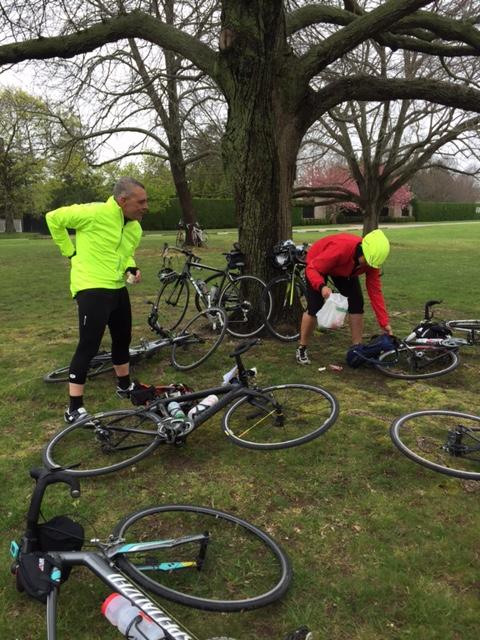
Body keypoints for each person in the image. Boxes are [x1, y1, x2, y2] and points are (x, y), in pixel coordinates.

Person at [46, 177, 148, 422]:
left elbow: (126, 254)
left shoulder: (134, 227)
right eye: (141, 201)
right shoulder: (93, 213)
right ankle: (74, 408)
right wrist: (69, 251)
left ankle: (124, 386)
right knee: (89, 346)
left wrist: (131, 269)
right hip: (91, 287)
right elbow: (53, 218)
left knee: (123, 338)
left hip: (117, 288)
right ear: (123, 200)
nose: (146, 206)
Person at [296, 229, 392, 365]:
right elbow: (312, 269)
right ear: (362, 250)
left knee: (357, 303)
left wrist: (384, 323)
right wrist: (322, 286)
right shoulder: (341, 249)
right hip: (317, 264)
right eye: (366, 261)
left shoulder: (372, 261)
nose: (367, 266)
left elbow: (375, 292)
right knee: (315, 307)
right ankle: (302, 347)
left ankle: (357, 349)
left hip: (343, 270)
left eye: (370, 264)